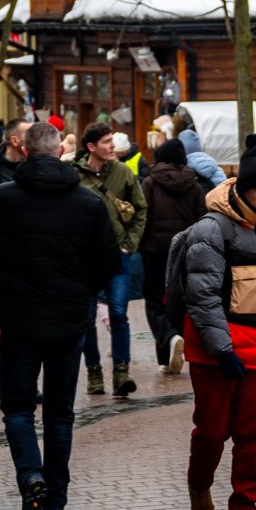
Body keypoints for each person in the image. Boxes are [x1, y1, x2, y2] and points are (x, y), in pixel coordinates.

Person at [0, 120, 117, 510]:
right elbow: (109, 261)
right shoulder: (88, 203)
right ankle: (54, 505)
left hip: (18, 318)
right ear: (62, 153)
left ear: (26, 153)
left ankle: (31, 476)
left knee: (16, 408)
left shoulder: (5, 196)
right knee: (60, 414)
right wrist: (83, 288)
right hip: (70, 320)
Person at [176, 152, 256, 510]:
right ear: (242, 187)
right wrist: (221, 349)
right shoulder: (211, 228)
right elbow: (201, 295)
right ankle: (199, 487)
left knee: (255, 436)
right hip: (215, 353)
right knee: (212, 432)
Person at [78, 123, 147, 399]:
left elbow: (141, 208)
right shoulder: (74, 175)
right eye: (106, 142)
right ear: (91, 147)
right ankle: (94, 372)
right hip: (84, 259)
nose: (112, 146)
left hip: (118, 256)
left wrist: (129, 245)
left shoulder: (123, 172)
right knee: (85, 319)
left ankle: (121, 373)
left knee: (118, 314)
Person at [138, 136, 206, 375]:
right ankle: (171, 350)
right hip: (186, 252)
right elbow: (202, 219)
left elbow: (143, 217)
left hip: (156, 251)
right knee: (179, 301)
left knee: (155, 301)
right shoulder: (194, 185)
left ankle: (169, 340)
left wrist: (140, 244)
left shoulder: (150, 183)